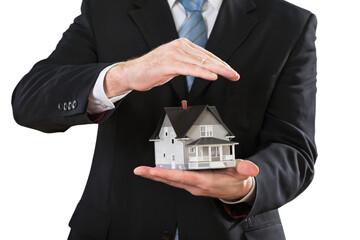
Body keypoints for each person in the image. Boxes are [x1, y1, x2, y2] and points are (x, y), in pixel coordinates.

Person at [12, 0, 317, 239]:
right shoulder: (105, 7)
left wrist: (246, 185)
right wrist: (123, 75)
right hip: (116, 228)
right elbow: (30, 101)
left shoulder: (289, 23)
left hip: (233, 231)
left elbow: (294, 149)